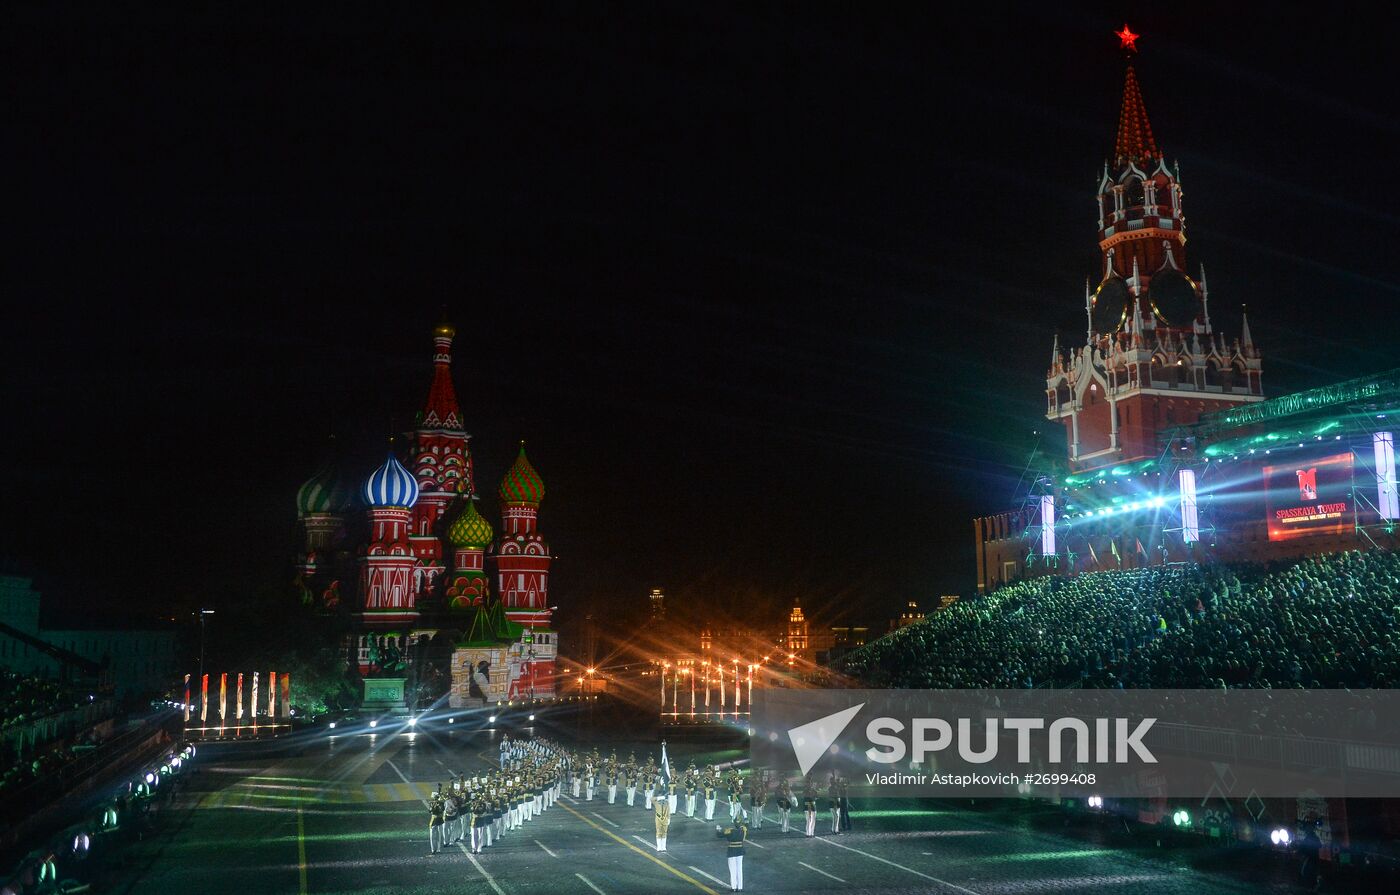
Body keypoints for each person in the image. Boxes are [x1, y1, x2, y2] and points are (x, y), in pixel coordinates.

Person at [717, 811, 748, 891]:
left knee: (732, 870)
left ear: (734, 823)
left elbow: (719, 835)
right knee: (739, 869)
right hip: (740, 850)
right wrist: (745, 817)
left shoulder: (729, 830)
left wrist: (718, 829)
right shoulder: (743, 830)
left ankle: (734, 887)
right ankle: (740, 887)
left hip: (731, 851)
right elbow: (747, 825)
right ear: (741, 823)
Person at [654, 783, 672, 852]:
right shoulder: (656, 802)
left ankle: (663, 847)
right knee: (659, 833)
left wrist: (669, 818)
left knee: (664, 833)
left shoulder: (666, 803)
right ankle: (659, 847)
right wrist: (659, 798)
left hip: (665, 819)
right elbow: (651, 799)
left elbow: (668, 811)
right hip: (658, 819)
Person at [427, 787, 445, 856]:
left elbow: (442, 810)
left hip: (439, 820)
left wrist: (439, 804)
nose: (435, 799)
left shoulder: (441, 803)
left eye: (436, 797)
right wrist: (434, 805)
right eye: (435, 798)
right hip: (433, 820)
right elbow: (430, 811)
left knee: (439, 835)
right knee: (432, 836)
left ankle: (438, 849)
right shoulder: (431, 803)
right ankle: (433, 849)